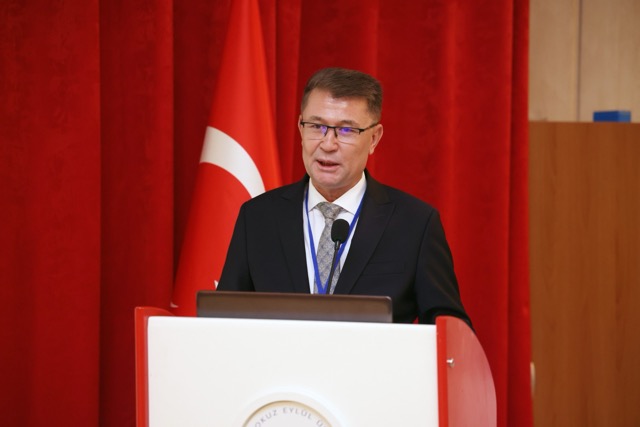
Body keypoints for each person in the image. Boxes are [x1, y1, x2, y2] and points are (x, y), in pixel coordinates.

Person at [217, 67, 470, 325]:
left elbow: (448, 328)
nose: (328, 144)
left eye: (346, 130)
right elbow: (222, 320)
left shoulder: (415, 225)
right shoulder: (258, 218)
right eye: (317, 126)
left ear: (374, 138)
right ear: (301, 129)